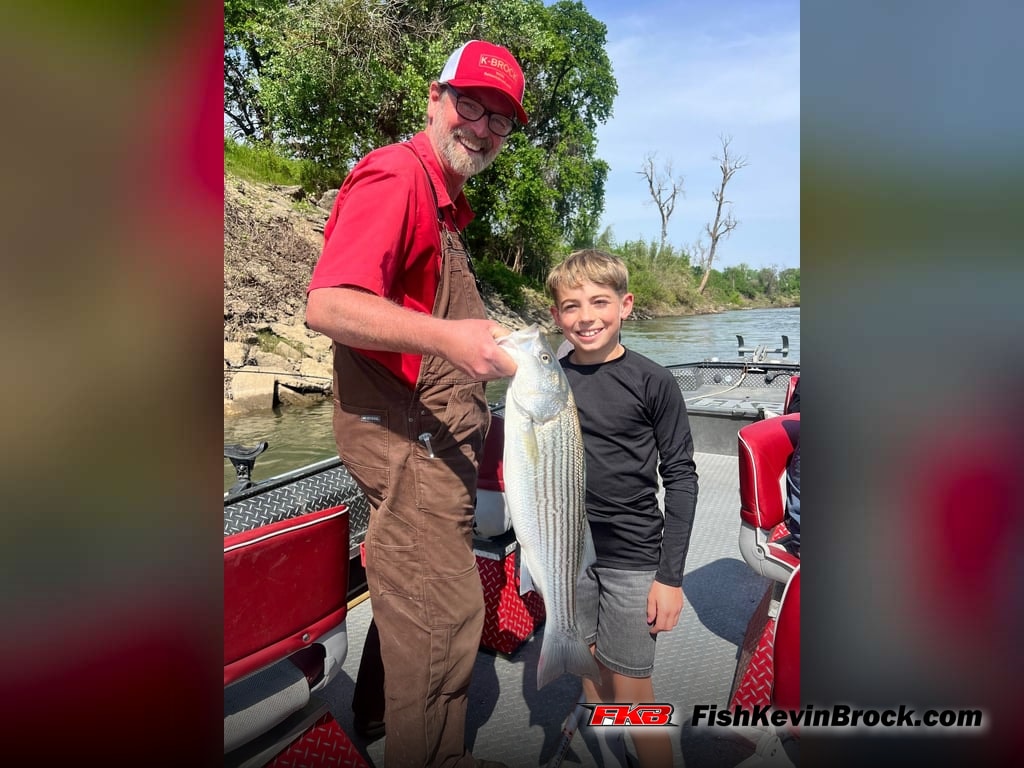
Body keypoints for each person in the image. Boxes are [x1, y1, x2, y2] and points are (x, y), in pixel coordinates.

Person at [305, 40, 527, 768]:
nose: (484, 127)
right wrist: (450, 340)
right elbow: (329, 304)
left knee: (411, 592)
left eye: (500, 119)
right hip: (409, 445)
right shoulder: (397, 175)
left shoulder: (446, 202)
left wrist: (483, 346)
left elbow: (430, 322)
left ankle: (373, 720)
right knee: (446, 616)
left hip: (435, 445)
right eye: (471, 105)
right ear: (435, 99)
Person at [546, 250, 699, 768]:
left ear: (625, 305)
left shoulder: (653, 381)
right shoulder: (546, 384)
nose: (586, 317)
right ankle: (598, 729)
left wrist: (670, 577)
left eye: (599, 302)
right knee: (585, 658)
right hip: (565, 550)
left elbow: (680, 477)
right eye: (570, 306)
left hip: (634, 553)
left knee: (635, 689)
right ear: (555, 317)